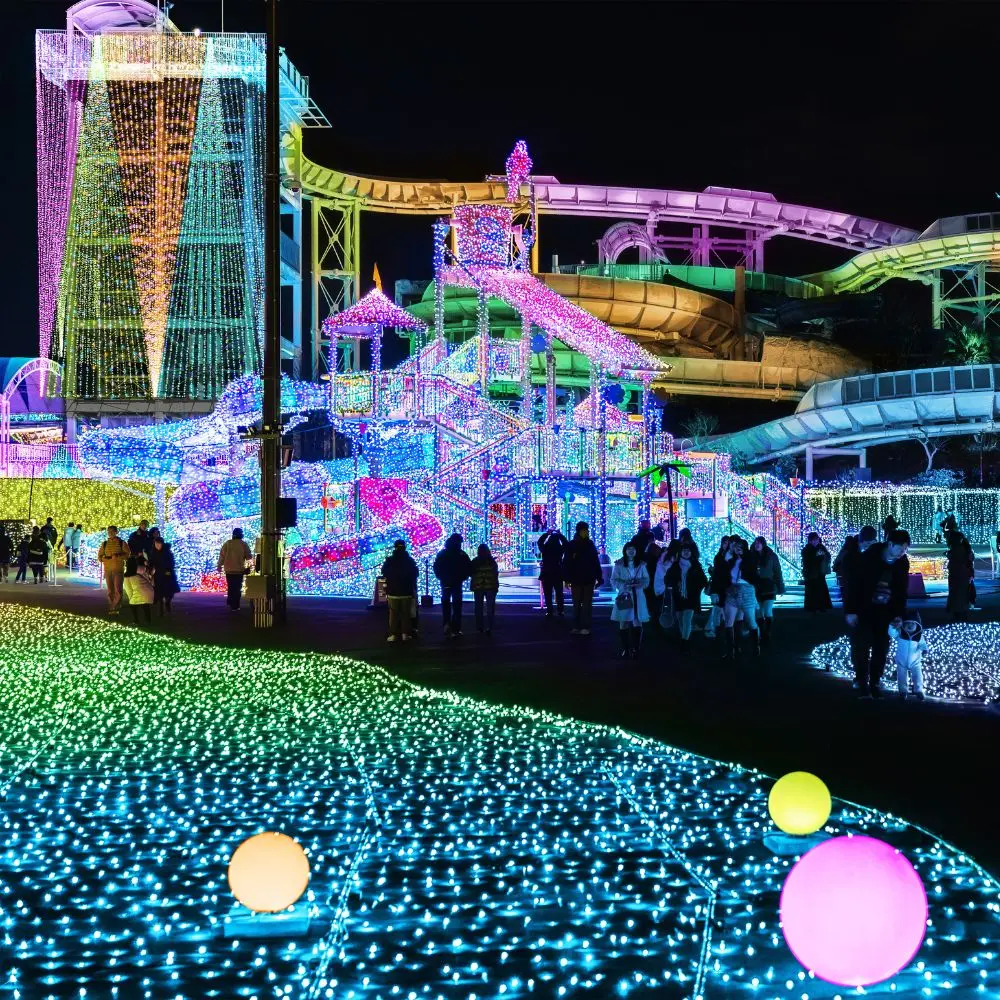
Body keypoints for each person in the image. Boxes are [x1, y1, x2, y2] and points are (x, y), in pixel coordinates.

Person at [845, 529, 911, 699]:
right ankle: (861, 681)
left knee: (881, 647)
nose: (903, 553)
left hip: (885, 611)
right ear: (890, 544)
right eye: (900, 549)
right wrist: (851, 611)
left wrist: (898, 615)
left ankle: (875, 681)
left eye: (905, 549)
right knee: (861, 646)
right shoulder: (867, 558)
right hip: (864, 610)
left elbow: (901, 590)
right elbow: (853, 585)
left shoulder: (902, 562)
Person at [658, 544, 707, 648]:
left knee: (687, 620)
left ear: (692, 552)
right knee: (680, 619)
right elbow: (667, 579)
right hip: (678, 596)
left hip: (691, 597)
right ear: (680, 552)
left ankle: (685, 643)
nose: (686, 552)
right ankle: (684, 639)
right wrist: (676, 583)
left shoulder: (696, 565)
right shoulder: (675, 565)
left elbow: (703, 581)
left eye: (688, 550)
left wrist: (693, 586)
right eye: (684, 550)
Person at [563, 521, 603, 637]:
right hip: (577, 578)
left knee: (586, 604)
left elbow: (595, 562)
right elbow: (567, 563)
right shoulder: (572, 545)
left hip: (588, 578)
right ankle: (577, 626)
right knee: (577, 604)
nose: (586, 532)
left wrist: (599, 577)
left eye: (586, 530)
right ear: (579, 531)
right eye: (584, 530)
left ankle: (585, 626)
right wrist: (566, 578)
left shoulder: (590, 544)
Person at [722, 537, 760, 658]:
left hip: (746, 590)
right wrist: (731, 551)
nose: (738, 549)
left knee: (750, 621)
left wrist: (743, 556)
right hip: (733, 590)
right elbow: (726, 561)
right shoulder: (732, 560)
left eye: (740, 547)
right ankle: (730, 651)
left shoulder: (750, 559)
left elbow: (753, 575)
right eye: (736, 547)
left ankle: (756, 647)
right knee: (729, 622)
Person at [611, 542, 650, 658]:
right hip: (625, 595)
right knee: (623, 620)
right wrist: (624, 585)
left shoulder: (641, 565)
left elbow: (646, 579)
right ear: (625, 550)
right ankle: (625, 647)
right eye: (629, 549)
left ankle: (635, 648)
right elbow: (613, 580)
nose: (631, 551)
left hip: (638, 595)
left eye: (633, 549)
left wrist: (641, 584)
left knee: (638, 620)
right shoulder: (619, 564)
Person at [745, 536, 785, 643]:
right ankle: (763, 631)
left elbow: (777, 571)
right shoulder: (751, 556)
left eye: (759, 543)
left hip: (769, 586)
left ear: (763, 544)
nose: (757, 544)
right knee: (759, 611)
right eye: (756, 542)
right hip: (756, 586)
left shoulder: (771, 556)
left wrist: (780, 587)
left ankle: (767, 632)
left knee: (767, 610)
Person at [433, 533, 472, 637]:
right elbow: (468, 567)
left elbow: (436, 566)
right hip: (457, 582)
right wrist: (463, 576)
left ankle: (446, 625)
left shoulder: (443, 553)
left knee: (446, 604)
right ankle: (456, 628)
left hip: (445, 582)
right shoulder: (461, 554)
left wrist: (441, 577)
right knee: (457, 605)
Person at [380, 539, 419, 642]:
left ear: (395, 547)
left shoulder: (390, 560)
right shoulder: (409, 560)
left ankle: (393, 634)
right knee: (406, 613)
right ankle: (405, 634)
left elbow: (384, 572)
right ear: (405, 547)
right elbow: (415, 574)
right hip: (406, 591)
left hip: (393, 591)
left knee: (393, 614)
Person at [833, 526, 877, 608]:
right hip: (846, 578)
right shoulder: (850, 552)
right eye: (868, 544)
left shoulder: (855, 549)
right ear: (863, 541)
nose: (869, 546)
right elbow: (838, 565)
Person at [890, 613, 927, 701]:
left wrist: (925, 649)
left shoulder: (919, 636)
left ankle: (918, 690)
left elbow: (923, 644)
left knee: (918, 676)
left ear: (917, 625)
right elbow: (891, 633)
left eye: (912, 624)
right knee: (902, 676)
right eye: (907, 624)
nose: (910, 626)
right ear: (903, 625)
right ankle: (903, 691)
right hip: (901, 660)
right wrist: (892, 626)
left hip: (915, 661)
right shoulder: (900, 634)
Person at [704, 536, 733, 639]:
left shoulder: (730, 557)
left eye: (727, 543)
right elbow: (718, 573)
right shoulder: (719, 556)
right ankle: (714, 629)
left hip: (728, 587)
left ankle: (715, 629)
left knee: (722, 609)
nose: (726, 545)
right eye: (724, 543)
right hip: (720, 587)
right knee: (718, 608)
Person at [217, 527, 252, 611]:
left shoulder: (227, 543)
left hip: (228, 570)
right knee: (237, 588)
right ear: (241, 535)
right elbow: (249, 556)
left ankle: (231, 601)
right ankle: (235, 605)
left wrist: (219, 566)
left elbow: (222, 556)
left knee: (231, 586)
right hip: (239, 570)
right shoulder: (243, 544)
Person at [97, 525, 130, 613]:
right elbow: (99, 556)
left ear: (116, 532)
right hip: (108, 569)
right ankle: (112, 604)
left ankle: (115, 605)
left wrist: (118, 557)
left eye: (112, 531)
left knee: (118, 589)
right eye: (108, 531)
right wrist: (103, 558)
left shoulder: (122, 543)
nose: (110, 533)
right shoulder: (104, 543)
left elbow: (127, 555)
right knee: (110, 589)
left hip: (118, 569)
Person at [537, 528, 568, 617]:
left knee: (547, 593)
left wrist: (547, 534)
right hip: (557, 572)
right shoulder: (559, 549)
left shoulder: (545, 548)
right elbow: (565, 544)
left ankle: (549, 611)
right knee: (559, 593)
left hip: (546, 573)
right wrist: (560, 535)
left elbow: (540, 542)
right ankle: (560, 610)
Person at [470, 542, 500, 634]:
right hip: (490, 587)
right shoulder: (492, 561)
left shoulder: (475, 561)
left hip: (478, 587)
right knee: (490, 608)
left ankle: (480, 627)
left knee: (478, 607)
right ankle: (489, 626)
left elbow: (471, 573)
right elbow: (495, 574)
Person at [945, 530, 973, 621]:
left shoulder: (956, 548)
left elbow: (954, 558)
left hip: (957, 574)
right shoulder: (965, 547)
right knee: (963, 594)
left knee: (956, 594)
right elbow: (970, 559)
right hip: (964, 574)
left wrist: (948, 554)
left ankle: (957, 614)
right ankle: (963, 613)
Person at [148, 537, 180, 615]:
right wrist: (149, 566)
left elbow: (171, 562)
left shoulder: (167, 552)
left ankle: (168, 602)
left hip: (168, 574)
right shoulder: (153, 552)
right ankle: (161, 608)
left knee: (169, 591)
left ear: (162, 544)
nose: (157, 545)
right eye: (156, 543)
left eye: (159, 543)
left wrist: (169, 570)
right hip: (158, 574)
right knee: (159, 592)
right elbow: (152, 562)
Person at [801, 532, 832, 613]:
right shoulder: (807, 549)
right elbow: (809, 560)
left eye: (817, 539)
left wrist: (820, 556)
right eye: (814, 540)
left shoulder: (821, 547)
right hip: (811, 573)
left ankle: (821, 606)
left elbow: (827, 556)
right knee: (812, 590)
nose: (816, 541)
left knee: (820, 590)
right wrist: (818, 556)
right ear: (810, 540)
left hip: (820, 573)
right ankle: (813, 607)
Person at [122, 554, 154, 624]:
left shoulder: (126, 577)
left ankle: (136, 620)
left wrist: (131, 599)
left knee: (133, 605)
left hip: (141, 592)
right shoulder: (138, 574)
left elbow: (129, 590)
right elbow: (147, 581)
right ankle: (148, 620)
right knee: (145, 605)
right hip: (149, 592)